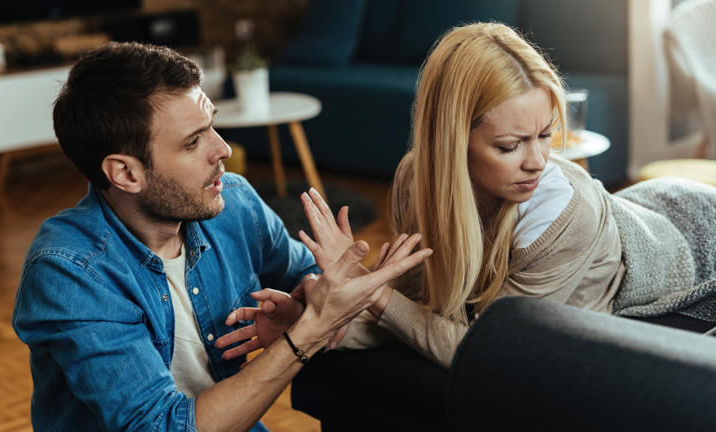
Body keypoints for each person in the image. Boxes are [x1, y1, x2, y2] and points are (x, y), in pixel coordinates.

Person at [227, 22, 716, 370]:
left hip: (693, 237)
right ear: (452, 141)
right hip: (650, 207)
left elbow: (485, 348)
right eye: (509, 145)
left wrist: (371, 290)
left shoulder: (563, 215)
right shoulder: (416, 180)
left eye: (545, 135)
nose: (538, 161)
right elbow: (424, 305)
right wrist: (311, 330)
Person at [11, 42, 432, 431]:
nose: (223, 150)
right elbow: (161, 426)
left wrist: (316, 295)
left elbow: (305, 278)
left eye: (211, 126)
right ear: (126, 173)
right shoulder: (70, 273)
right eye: (193, 142)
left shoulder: (234, 203)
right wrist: (308, 332)